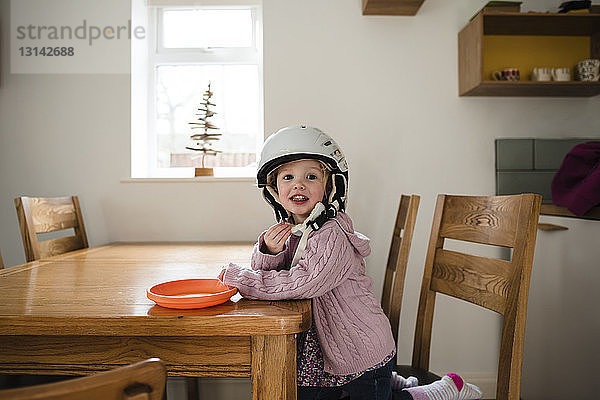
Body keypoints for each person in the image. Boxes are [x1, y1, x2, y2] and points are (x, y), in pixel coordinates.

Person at [219, 125, 482, 400]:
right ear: (273, 189)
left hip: (359, 351)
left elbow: (303, 282)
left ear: (331, 186)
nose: (299, 184)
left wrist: (243, 279)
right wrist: (268, 251)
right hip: (325, 351)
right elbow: (273, 282)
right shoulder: (294, 230)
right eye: (288, 177)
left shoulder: (331, 233)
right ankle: (392, 381)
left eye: (311, 176)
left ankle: (438, 391)